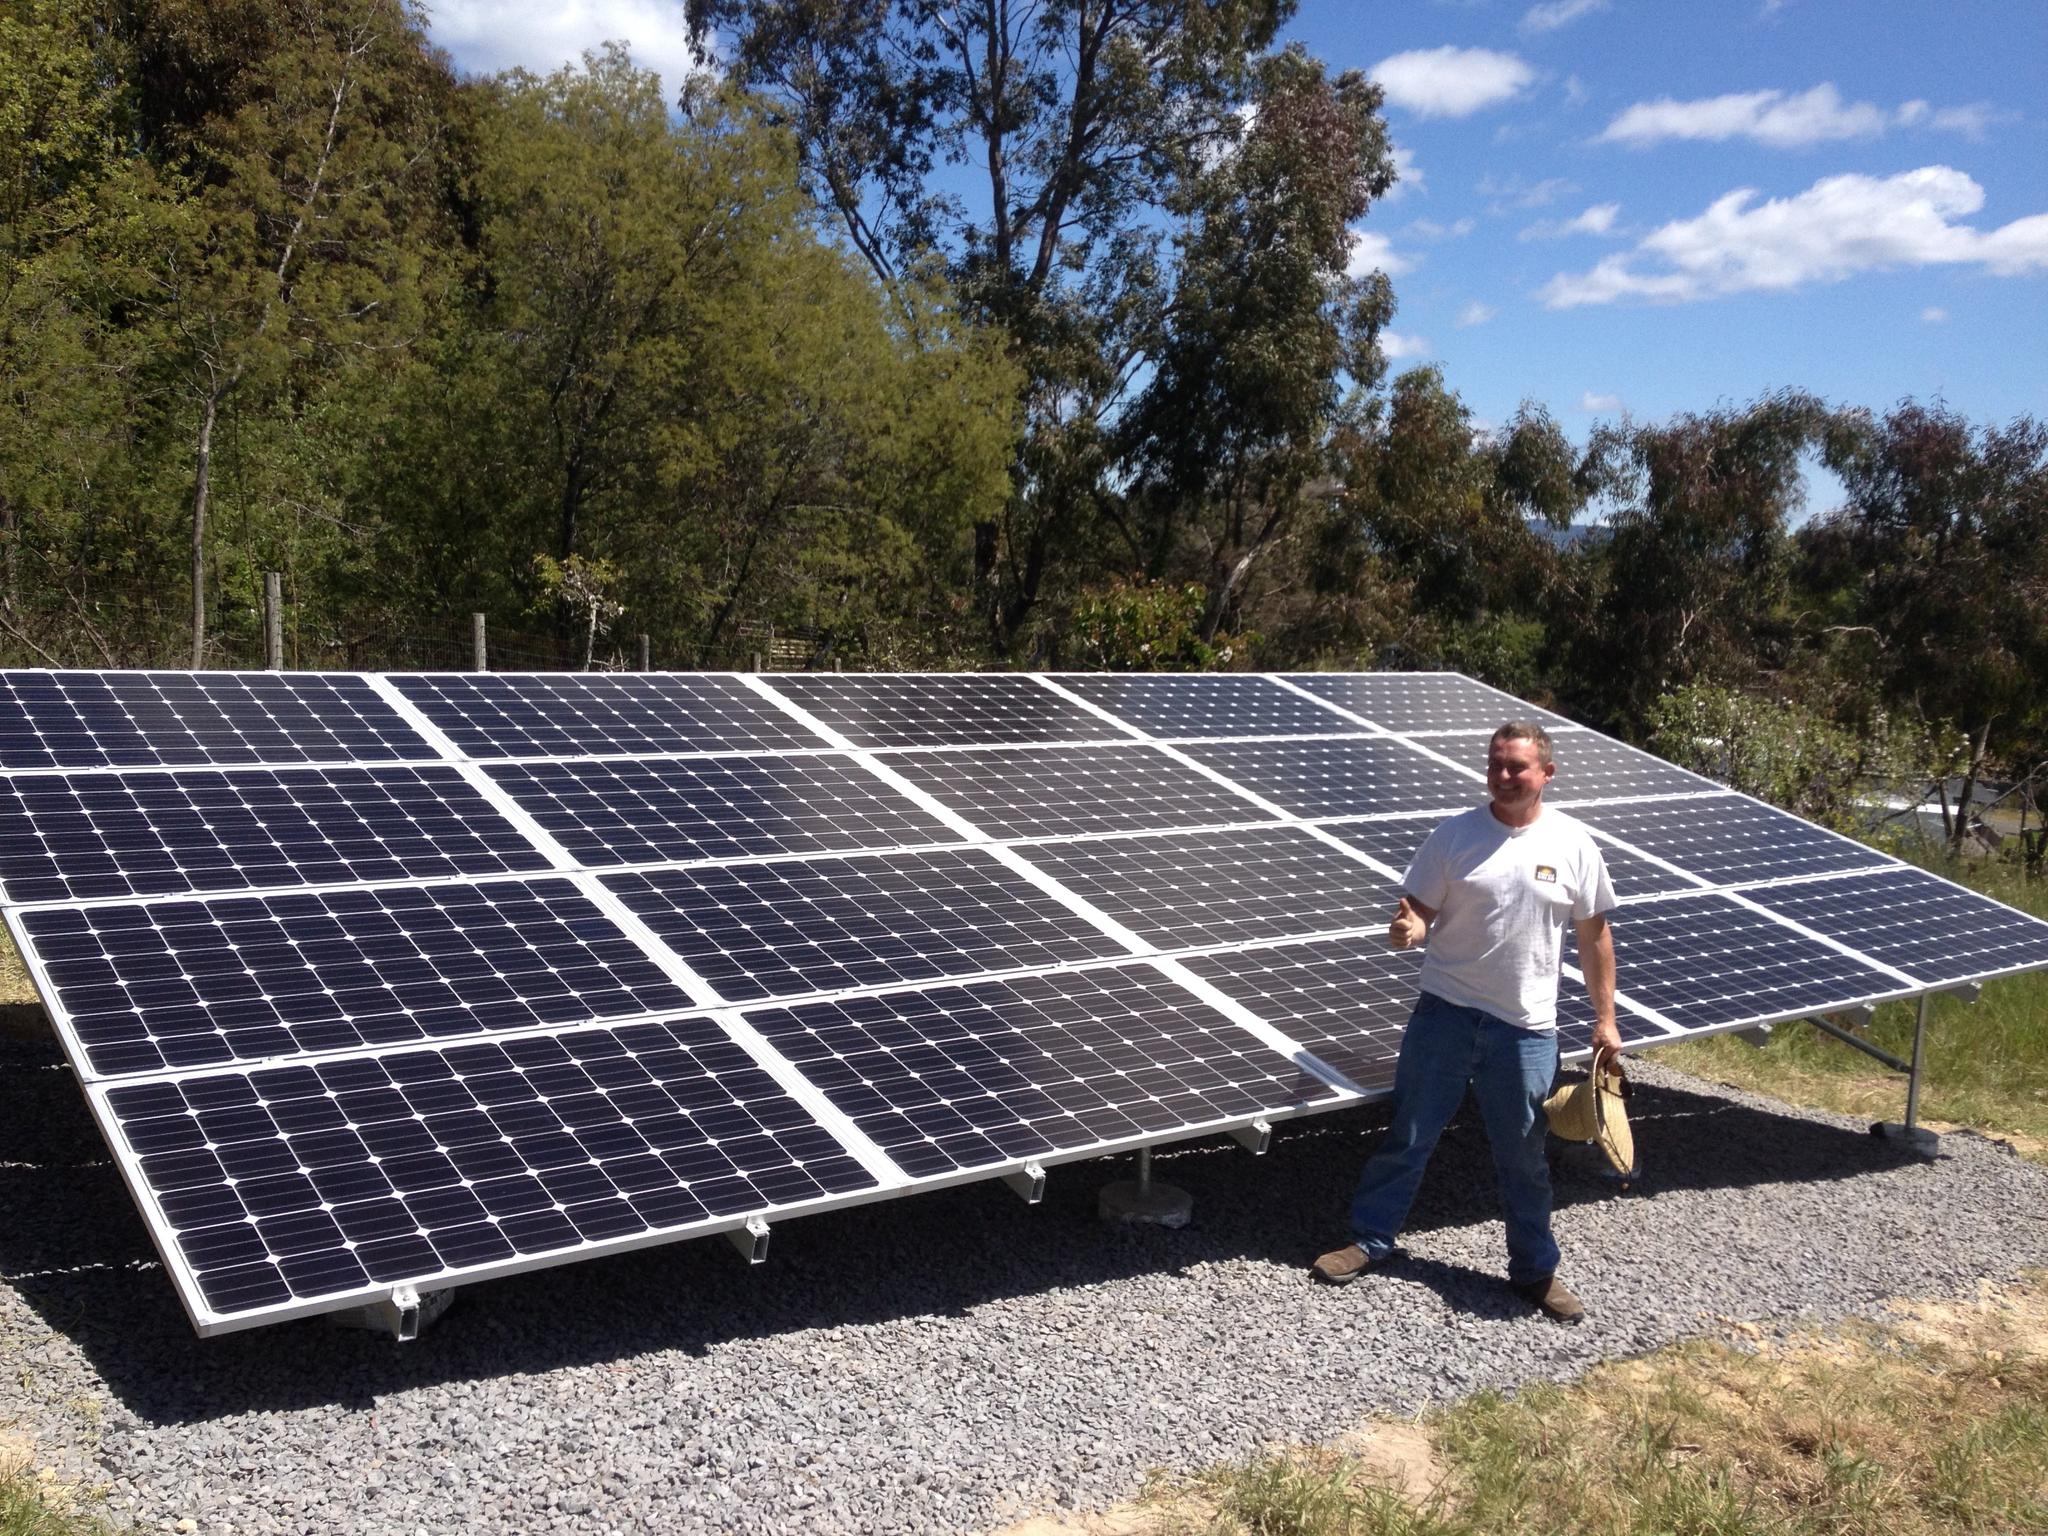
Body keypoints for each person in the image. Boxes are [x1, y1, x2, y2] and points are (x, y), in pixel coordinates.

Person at [1310, 721, 1620, 1323]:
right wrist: (1408, 931)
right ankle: (1368, 1241)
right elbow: (1419, 913)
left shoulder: (1575, 845)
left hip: (1527, 1031)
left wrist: (1605, 1020)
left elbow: (1595, 936)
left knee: (1524, 1158)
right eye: (1496, 765)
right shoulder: (1454, 837)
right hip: (1444, 1016)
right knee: (1409, 1135)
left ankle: (1535, 1272)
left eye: (1518, 767)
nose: (1504, 776)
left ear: (1546, 775)